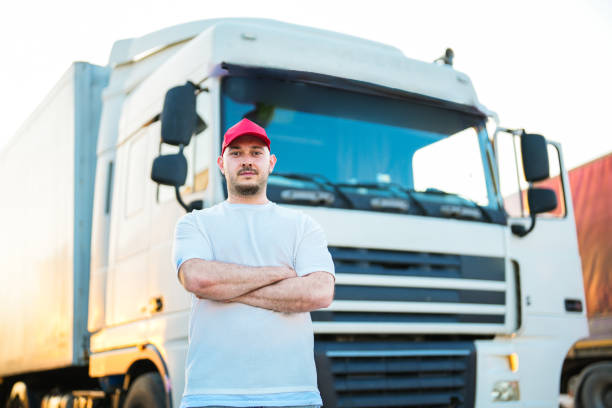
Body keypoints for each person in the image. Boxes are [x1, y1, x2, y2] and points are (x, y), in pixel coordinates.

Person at [172, 118, 336, 408]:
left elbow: (318, 293)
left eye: (255, 152)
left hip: (293, 396)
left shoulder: (302, 225)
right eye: (236, 153)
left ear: (271, 162)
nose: (246, 160)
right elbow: (198, 280)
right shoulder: (195, 223)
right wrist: (278, 275)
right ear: (221, 163)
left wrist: (226, 287)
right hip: (212, 396)